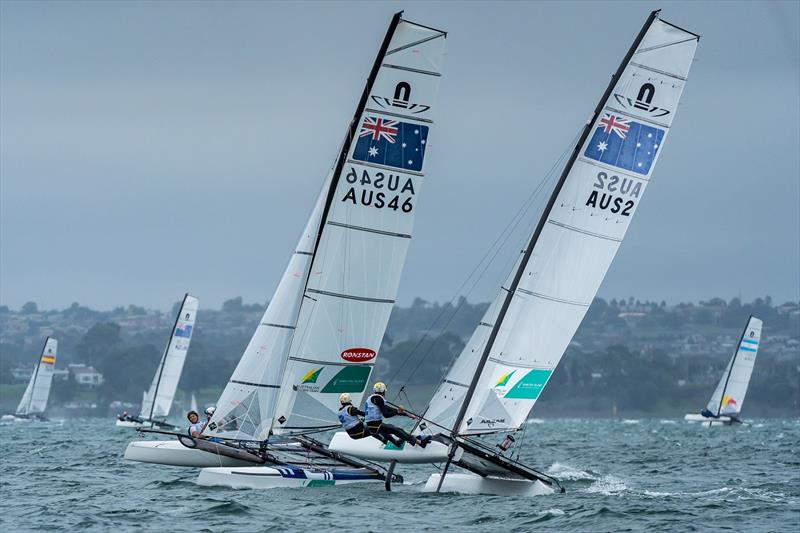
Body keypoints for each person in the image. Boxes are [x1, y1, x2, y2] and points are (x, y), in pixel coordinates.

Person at [364, 382, 431, 448]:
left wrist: (407, 414)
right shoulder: (378, 398)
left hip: (372, 425)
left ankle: (399, 442)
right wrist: (398, 412)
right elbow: (386, 415)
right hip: (375, 425)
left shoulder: (372, 398)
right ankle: (420, 443)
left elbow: (390, 409)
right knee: (396, 430)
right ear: (383, 391)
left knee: (392, 428)